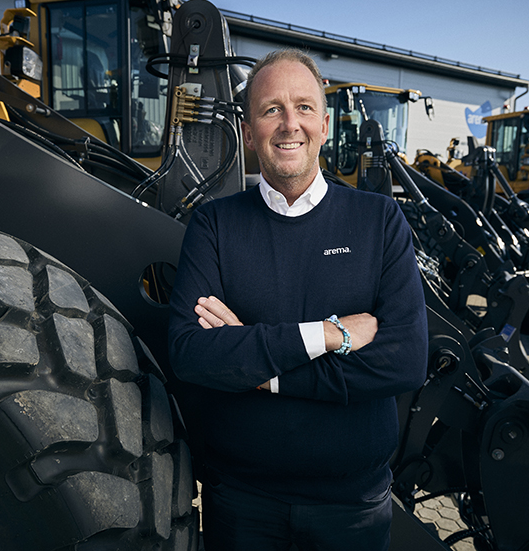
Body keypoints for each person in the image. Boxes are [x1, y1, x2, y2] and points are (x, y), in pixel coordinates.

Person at [167, 48, 428, 551]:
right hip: (241, 503)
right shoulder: (214, 225)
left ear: (324, 126)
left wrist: (259, 371)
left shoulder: (379, 221)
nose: (290, 124)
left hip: (352, 507)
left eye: (304, 107)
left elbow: (404, 361)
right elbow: (190, 353)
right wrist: (328, 334)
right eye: (272, 110)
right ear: (248, 132)